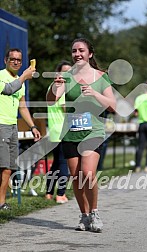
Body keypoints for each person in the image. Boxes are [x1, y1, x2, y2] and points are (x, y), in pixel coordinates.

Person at [46, 38, 116, 232]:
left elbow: (113, 105)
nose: (77, 54)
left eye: (81, 50)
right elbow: (52, 101)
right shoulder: (67, 76)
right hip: (71, 132)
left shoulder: (101, 77)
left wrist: (95, 93)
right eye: (74, 50)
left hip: (93, 131)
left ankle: (94, 212)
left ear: (90, 54)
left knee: (88, 174)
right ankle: (84, 216)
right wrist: (54, 86)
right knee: (76, 178)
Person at [0, 48, 41, 210]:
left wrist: (33, 126)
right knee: (2, 167)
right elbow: (8, 89)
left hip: (12, 126)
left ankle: (2, 203)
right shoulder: (1, 76)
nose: (16, 62)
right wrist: (24, 76)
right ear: (6, 61)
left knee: (9, 168)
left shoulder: (20, 81)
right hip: (1, 125)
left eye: (19, 60)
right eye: (12, 59)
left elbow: (22, 106)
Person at [45, 60, 72, 203]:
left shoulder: (52, 86)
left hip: (54, 130)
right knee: (63, 163)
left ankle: (48, 192)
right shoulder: (62, 87)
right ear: (58, 73)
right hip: (63, 130)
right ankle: (61, 194)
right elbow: (66, 109)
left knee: (56, 163)